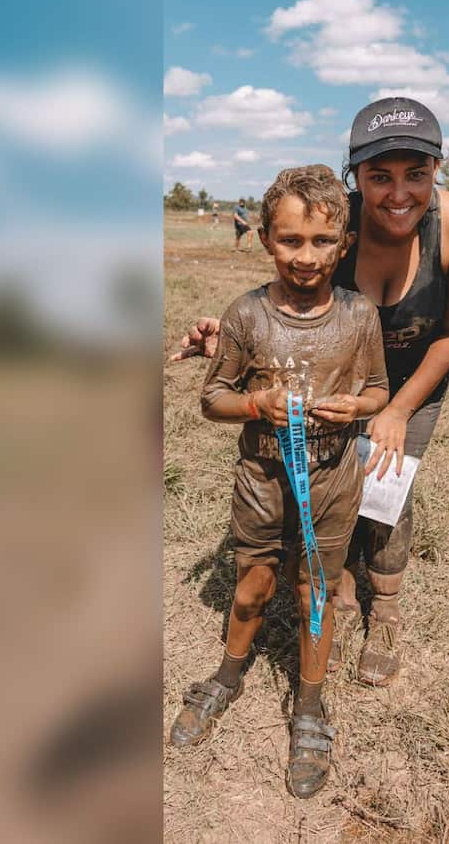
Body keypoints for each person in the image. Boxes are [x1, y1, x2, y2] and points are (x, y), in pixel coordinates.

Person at [172, 96, 449, 689]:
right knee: (335, 486)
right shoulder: (332, 222)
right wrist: (228, 336)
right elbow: (294, 291)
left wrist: (396, 409)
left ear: (438, 171)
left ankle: (385, 610)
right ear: (355, 178)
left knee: (387, 488)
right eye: (379, 177)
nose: (399, 194)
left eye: (416, 174)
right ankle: (337, 598)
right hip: (337, 377)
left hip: (417, 375)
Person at [168, 165, 390, 799]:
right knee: (252, 590)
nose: (306, 257)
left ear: (344, 244)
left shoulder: (358, 316)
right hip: (263, 479)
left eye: (323, 242)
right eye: (290, 240)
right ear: (266, 239)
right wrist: (256, 405)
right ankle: (228, 674)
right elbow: (212, 399)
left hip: (331, 479)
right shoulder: (246, 315)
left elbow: (377, 388)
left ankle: (311, 705)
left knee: (313, 591)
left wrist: (360, 407)